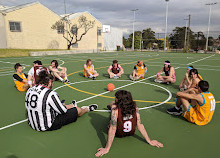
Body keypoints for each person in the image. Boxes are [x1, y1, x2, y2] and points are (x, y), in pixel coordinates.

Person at [95, 90, 163, 157]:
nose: (115, 98)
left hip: (118, 134)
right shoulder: (135, 108)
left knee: (112, 108)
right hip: (131, 132)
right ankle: (111, 107)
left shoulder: (115, 111)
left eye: (116, 97)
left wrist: (107, 148)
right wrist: (149, 141)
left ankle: (110, 107)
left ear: (119, 100)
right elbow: (140, 126)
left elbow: (113, 129)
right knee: (114, 106)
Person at [25, 70, 98, 131]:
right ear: (50, 82)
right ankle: (86, 109)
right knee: (77, 110)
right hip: (47, 126)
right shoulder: (50, 94)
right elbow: (63, 111)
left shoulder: (30, 89)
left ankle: (68, 105)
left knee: (58, 105)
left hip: (32, 124)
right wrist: (68, 106)